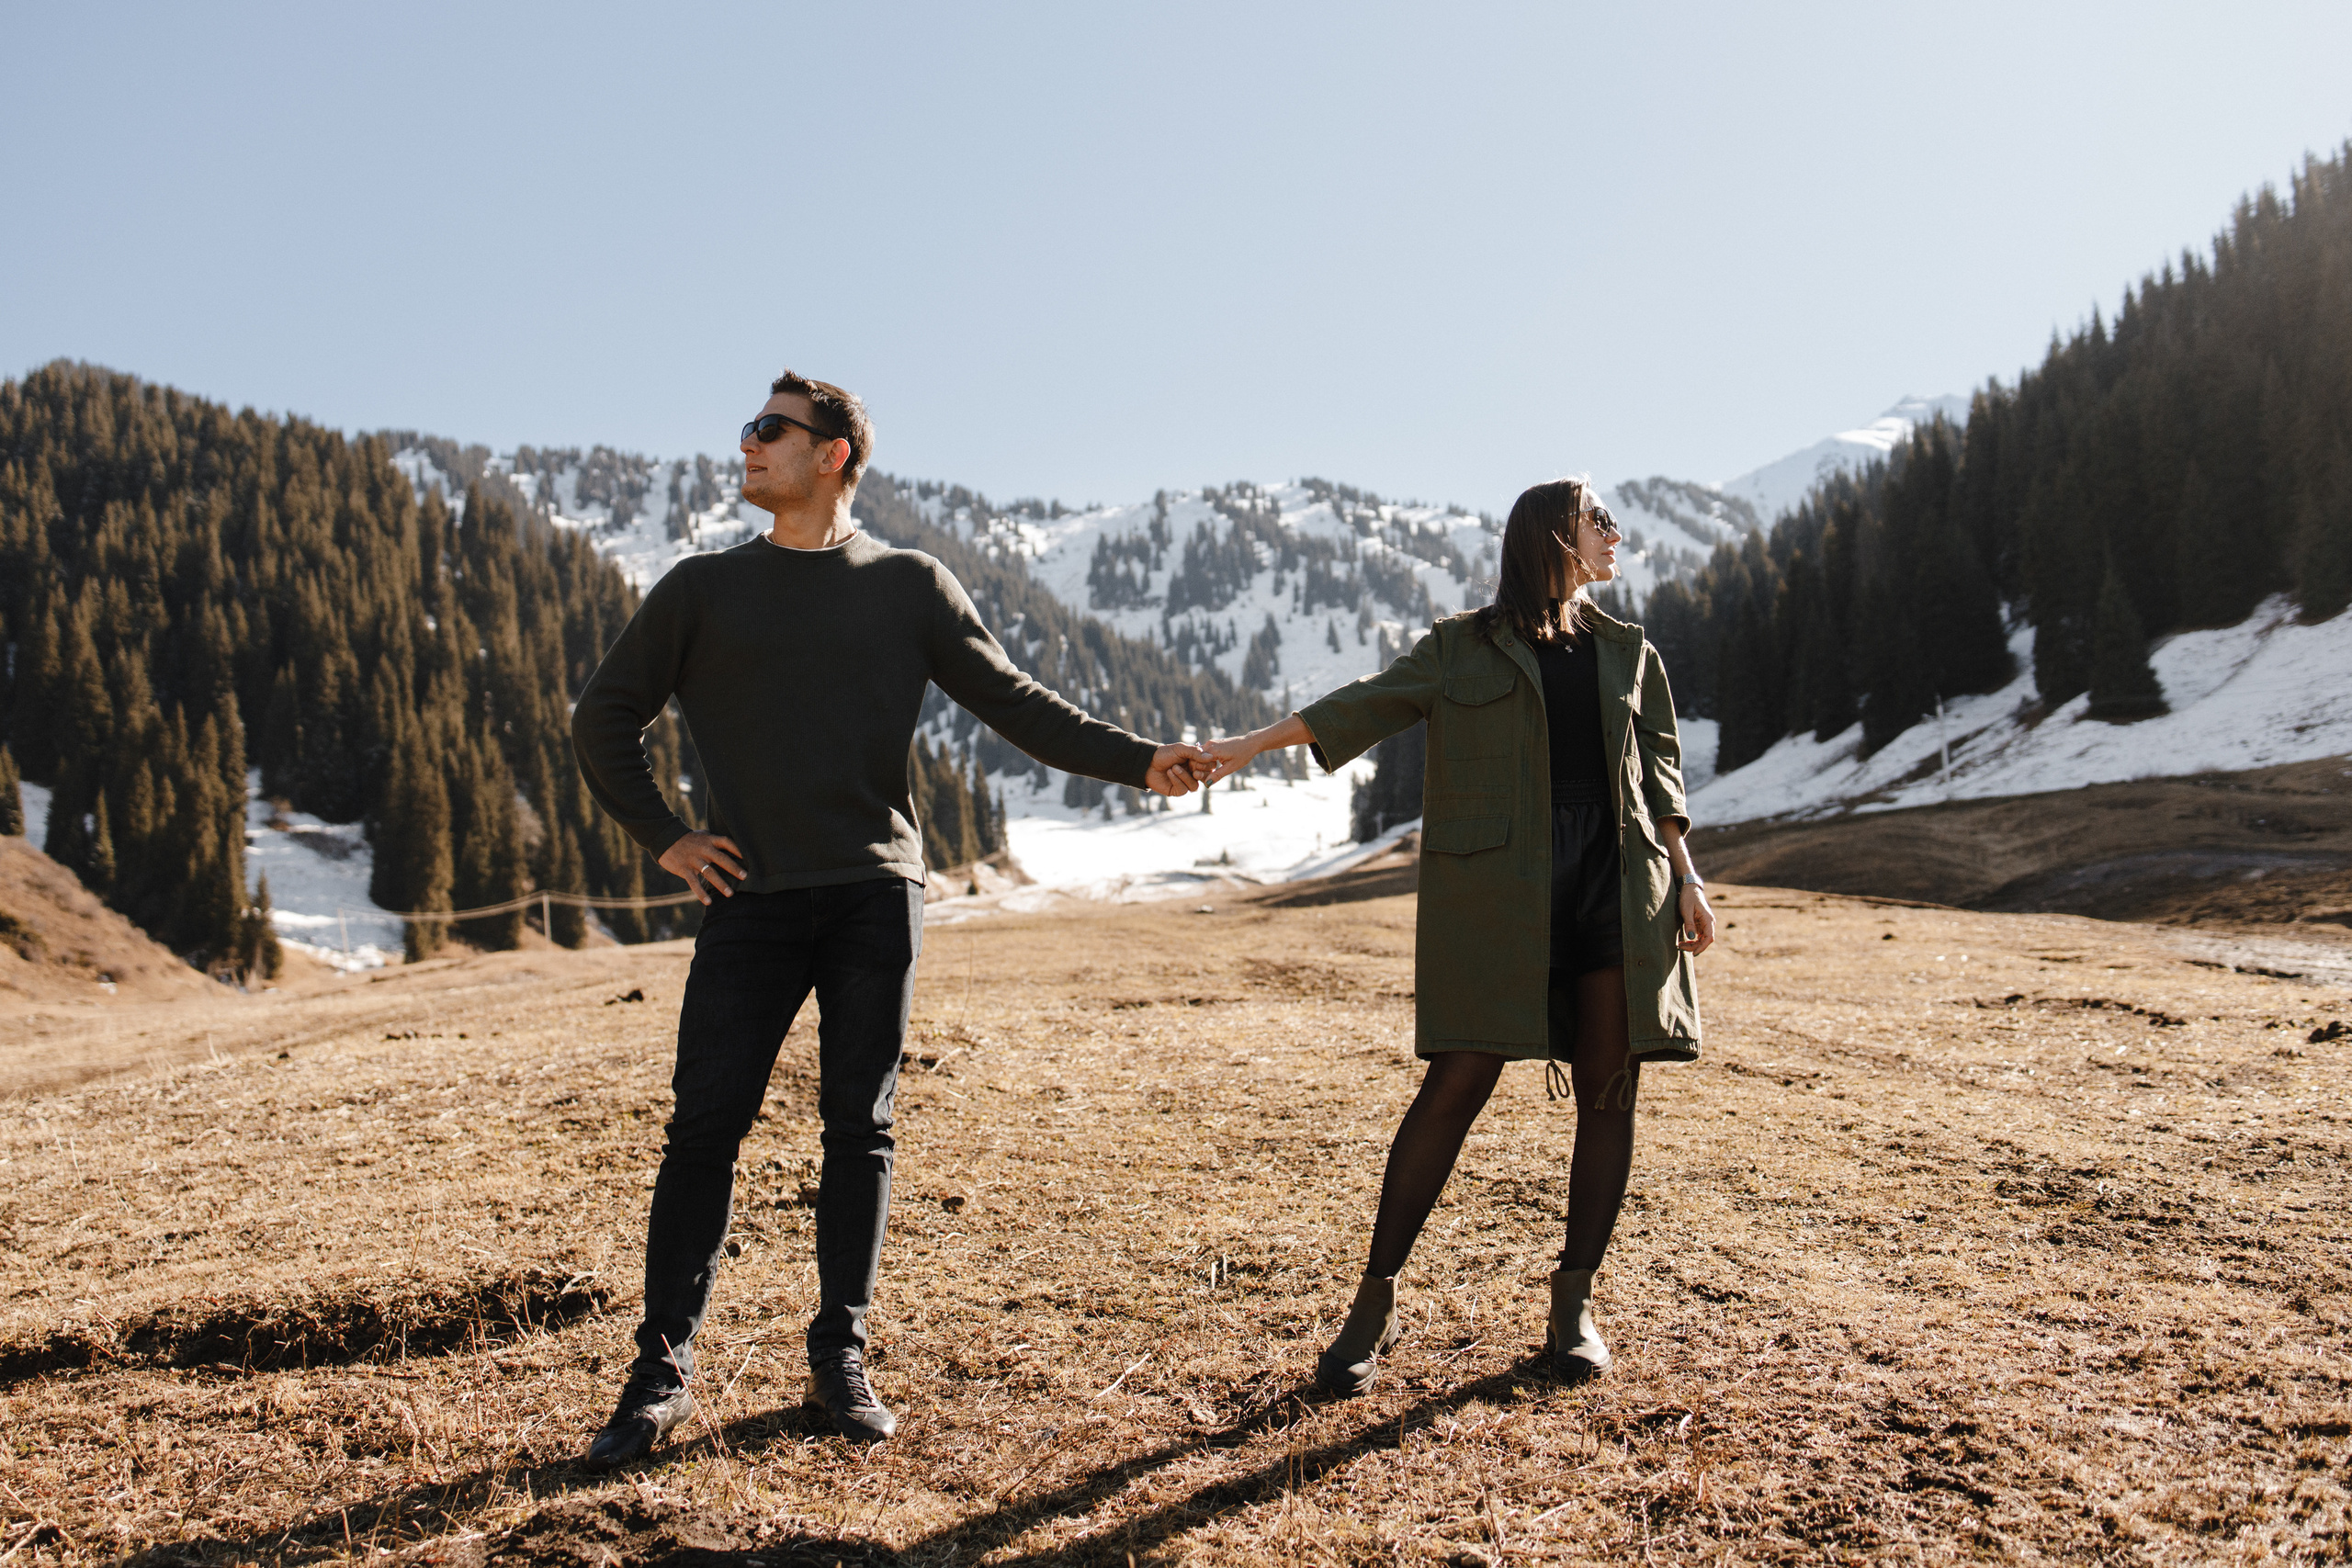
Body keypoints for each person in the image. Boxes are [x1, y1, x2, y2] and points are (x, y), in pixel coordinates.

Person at [570, 370, 1210, 1461]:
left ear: (835, 455)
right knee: (703, 1131)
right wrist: (668, 837)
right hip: (749, 902)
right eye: (746, 429)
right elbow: (603, 719)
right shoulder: (699, 590)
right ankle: (659, 1375)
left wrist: (1140, 759)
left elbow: (1016, 704)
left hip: (874, 892)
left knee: (857, 1130)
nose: (746, 446)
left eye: (770, 431)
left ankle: (839, 1359)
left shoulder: (908, 584)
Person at [1199, 477, 1713, 1393]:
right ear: (1557, 534)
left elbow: (1659, 774)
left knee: (1608, 1092)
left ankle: (1572, 1307)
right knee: (1453, 1087)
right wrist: (1245, 745)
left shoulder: (1631, 653)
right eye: (1600, 522)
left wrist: (1686, 876)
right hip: (1499, 895)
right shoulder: (1460, 649)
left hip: (1614, 883)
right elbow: (1362, 704)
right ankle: (1374, 1304)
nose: (1616, 536)